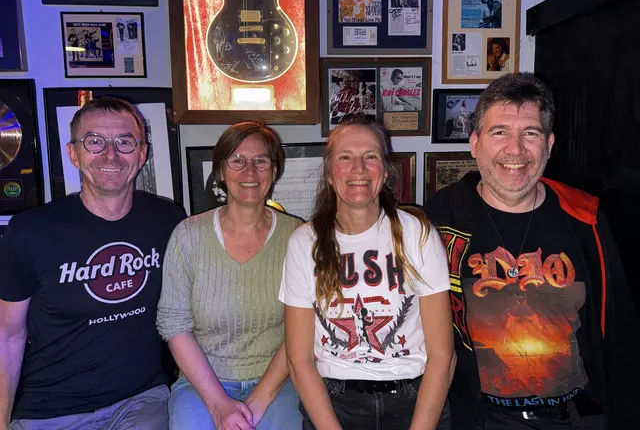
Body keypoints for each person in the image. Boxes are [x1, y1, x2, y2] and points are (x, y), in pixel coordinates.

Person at [425, 72, 640, 430]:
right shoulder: (438, 221)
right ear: (475, 143)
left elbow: (623, 333)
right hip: (477, 419)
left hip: (575, 418)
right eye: (499, 132)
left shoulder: (586, 219)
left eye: (531, 133)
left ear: (549, 144)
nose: (516, 149)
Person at [0, 96, 186, 430]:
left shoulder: (168, 220)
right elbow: (8, 335)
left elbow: (187, 311)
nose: (110, 154)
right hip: (48, 410)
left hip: (140, 401)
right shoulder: (29, 231)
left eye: (125, 142)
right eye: (94, 141)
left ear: (142, 153)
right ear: (73, 153)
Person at [280, 118, 455, 429]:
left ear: (385, 171)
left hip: (415, 398)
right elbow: (299, 360)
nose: (358, 168)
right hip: (334, 402)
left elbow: (443, 355)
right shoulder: (304, 243)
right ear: (329, 173)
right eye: (345, 157)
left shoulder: (418, 234)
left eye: (370, 156)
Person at [157, 121, 303, 430]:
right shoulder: (188, 236)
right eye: (237, 160)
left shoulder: (298, 236)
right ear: (221, 171)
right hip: (202, 382)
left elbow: (303, 328)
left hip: (278, 380)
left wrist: (258, 402)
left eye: (261, 161)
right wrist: (218, 404)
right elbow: (174, 324)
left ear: (274, 171)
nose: (250, 171)